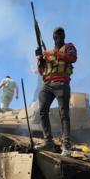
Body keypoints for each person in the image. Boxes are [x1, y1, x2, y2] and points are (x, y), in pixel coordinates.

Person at [35, 27, 77, 156]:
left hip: (61, 83)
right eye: (56, 34)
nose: (58, 36)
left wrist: (54, 53)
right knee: (42, 110)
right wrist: (39, 59)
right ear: (53, 37)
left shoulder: (69, 46)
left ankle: (66, 144)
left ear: (63, 36)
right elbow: (42, 71)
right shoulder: (48, 53)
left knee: (64, 113)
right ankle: (48, 141)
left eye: (60, 34)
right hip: (47, 84)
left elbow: (73, 58)